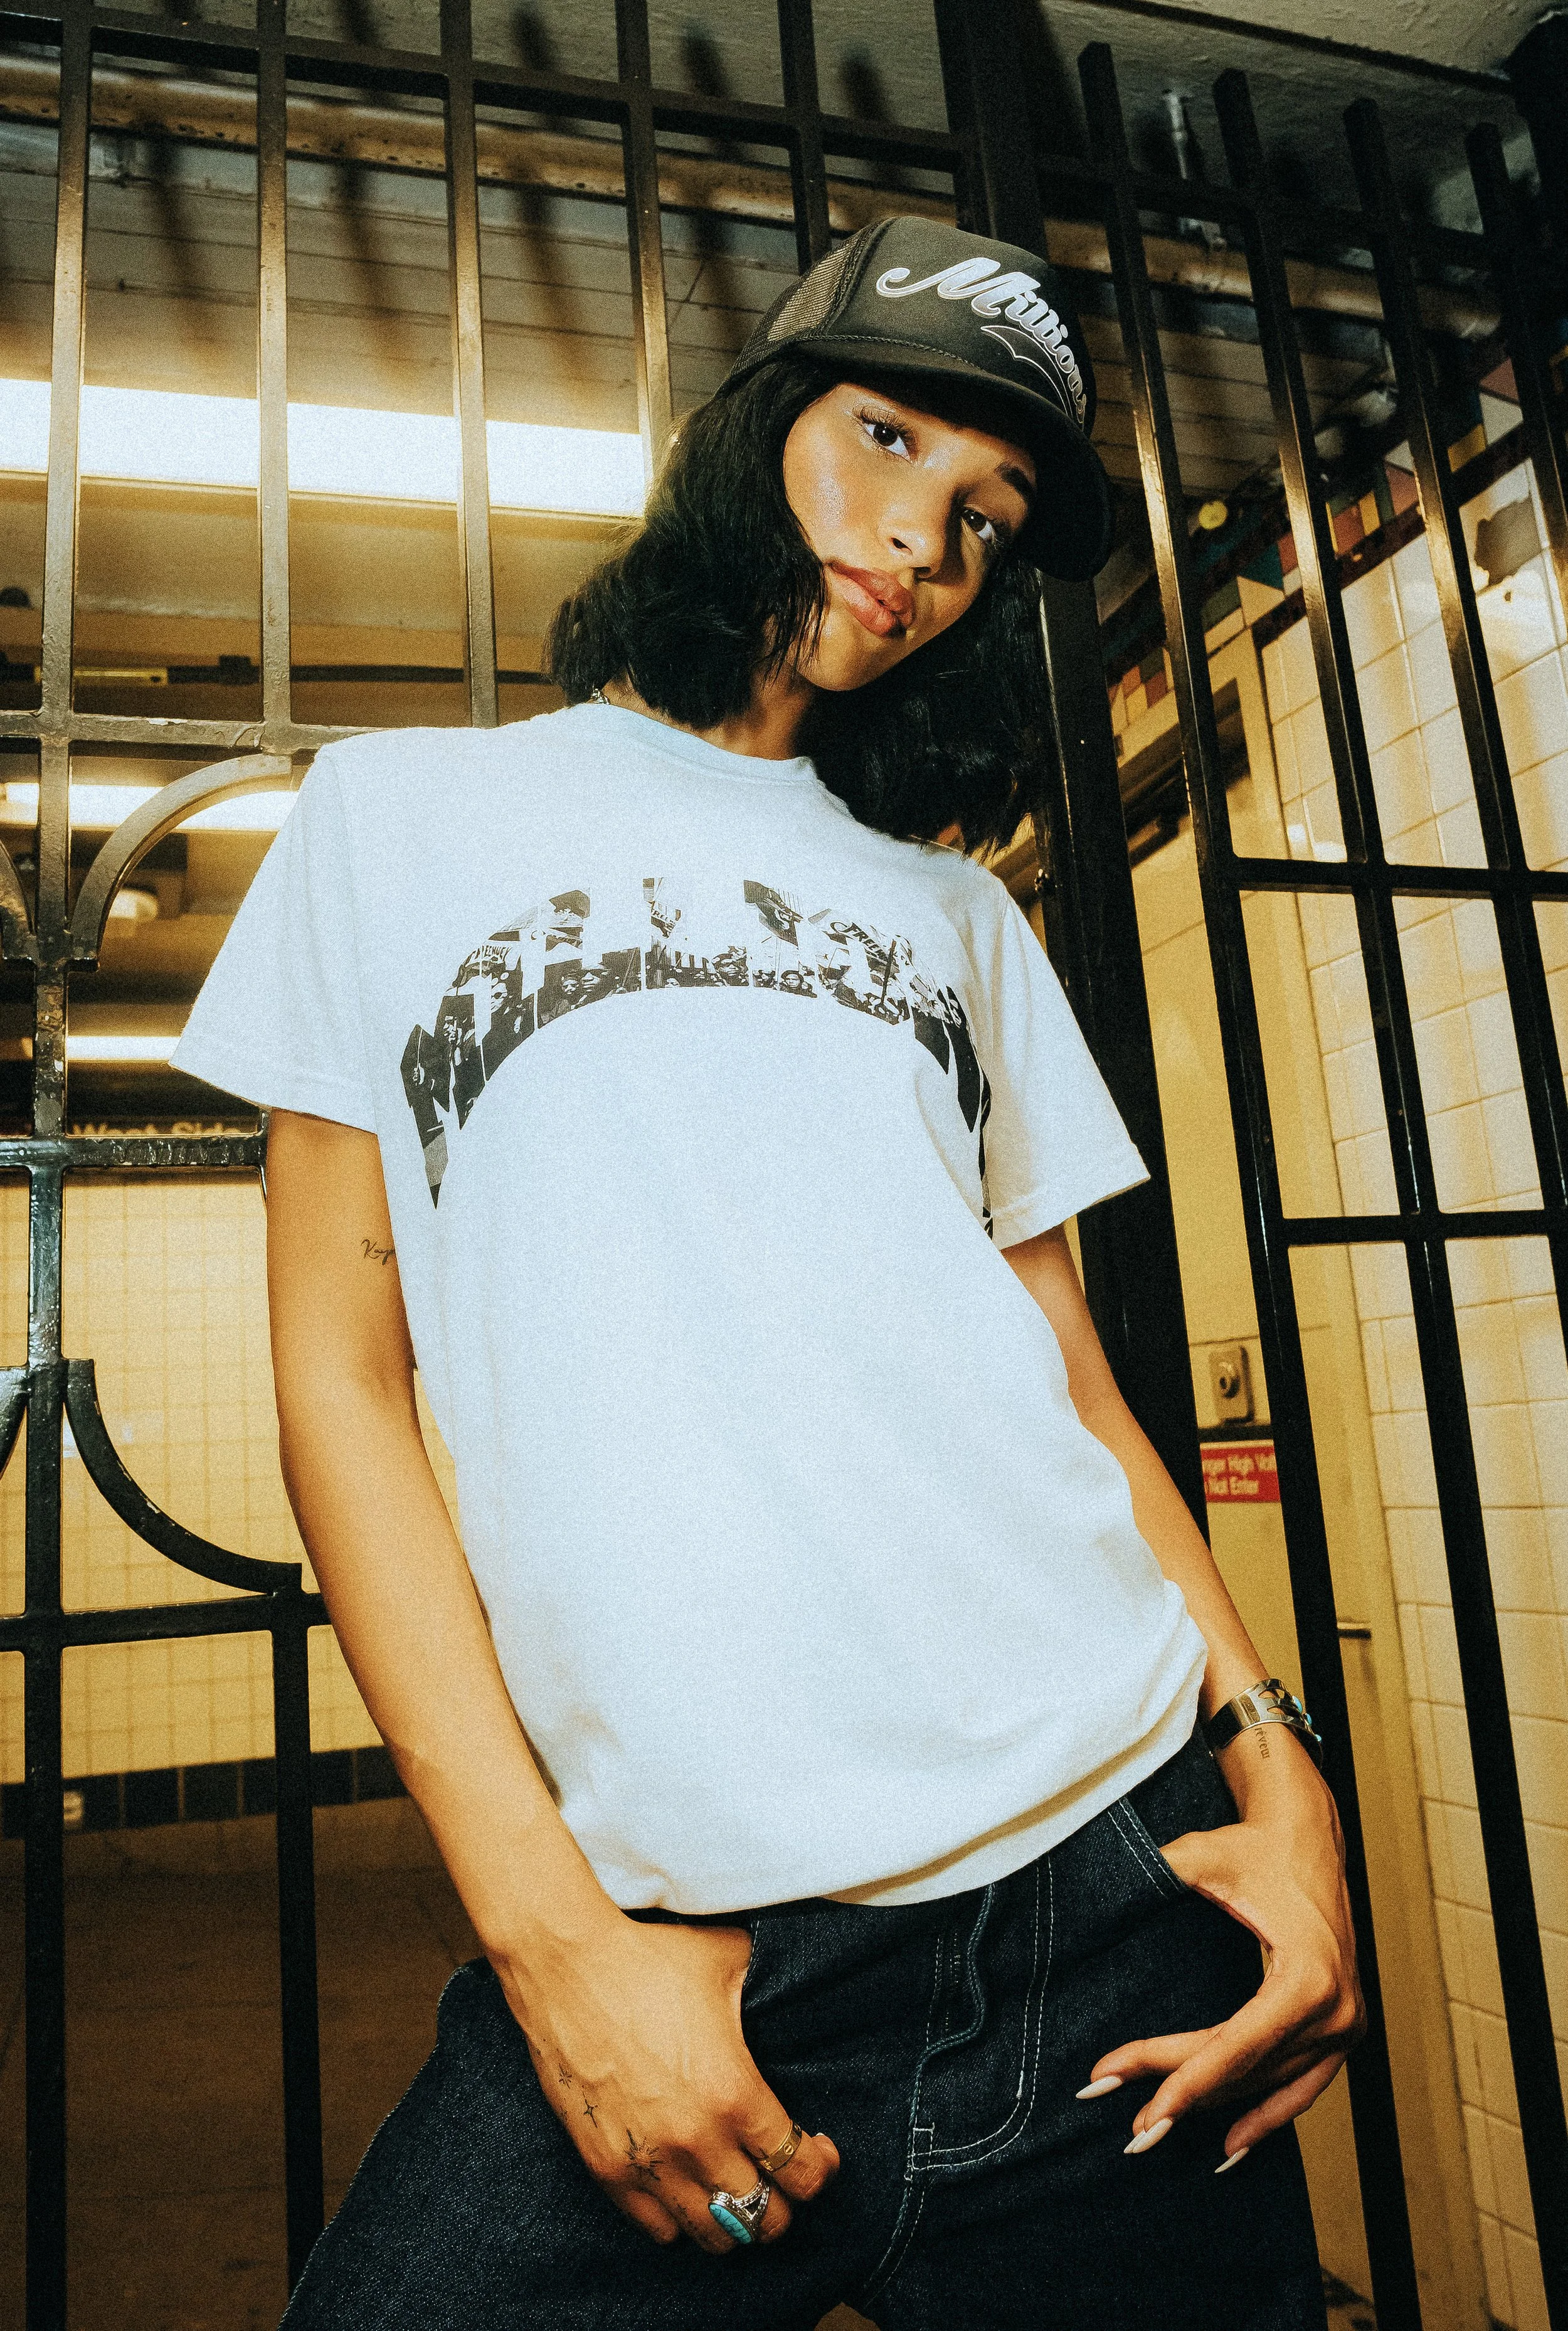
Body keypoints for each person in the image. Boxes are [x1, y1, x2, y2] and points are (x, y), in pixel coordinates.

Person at [172, 215, 1362, 2330]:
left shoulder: (955, 917)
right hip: (687, 1944)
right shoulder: (394, 821)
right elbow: (340, 1389)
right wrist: (550, 1950)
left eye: (983, 515)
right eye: (883, 435)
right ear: (748, 434)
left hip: (1110, 1886)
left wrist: (1278, 1773)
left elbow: (1068, 1379)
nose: (921, 539)